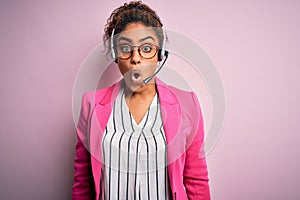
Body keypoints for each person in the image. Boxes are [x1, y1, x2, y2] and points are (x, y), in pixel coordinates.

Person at [72, 1, 210, 200]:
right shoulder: (91, 105)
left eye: (146, 48)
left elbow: (196, 181)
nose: (136, 58)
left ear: (160, 53)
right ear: (115, 55)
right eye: (126, 48)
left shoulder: (189, 104)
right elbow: (83, 183)